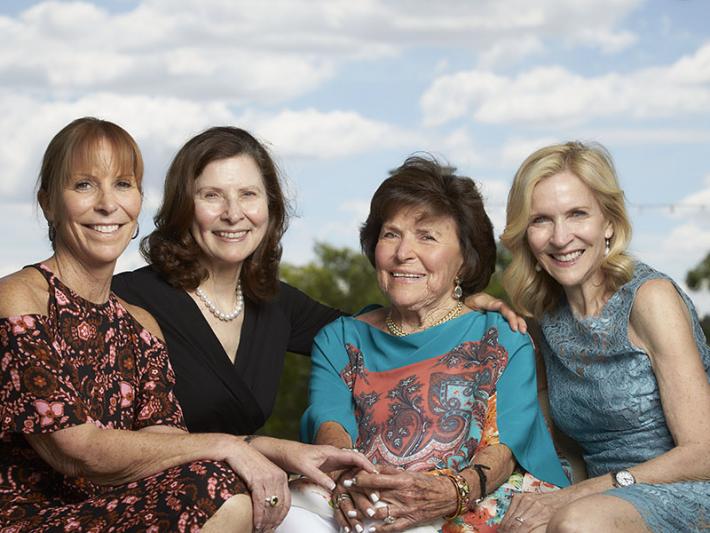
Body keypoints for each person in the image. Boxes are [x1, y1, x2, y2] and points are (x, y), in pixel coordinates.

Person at [0, 117, 374, 532]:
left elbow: (170, 441)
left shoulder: (139, 324)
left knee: (228, 484)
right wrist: (234, 450)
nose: (108, 204)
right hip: (30, 515)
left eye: (123, 185)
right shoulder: (21, 299)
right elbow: (77, 451)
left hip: (117, 507)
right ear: (48, 201)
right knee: (224, 492)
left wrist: (283, 451)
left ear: (140, 199)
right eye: (84, 185)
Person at [112, 126, 525, 436]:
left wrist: (455, 307)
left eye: (249, 195)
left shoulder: (274, 303)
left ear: (270, 208)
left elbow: (370, 336)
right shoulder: (129, 298)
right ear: (185, 206)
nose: (233, 213)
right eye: (212, 195)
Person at [278, 156, 569, 533]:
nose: (403, 253)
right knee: (287, 516)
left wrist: (453, 491)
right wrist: (351, 478)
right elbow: (330, 422)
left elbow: (505, 446)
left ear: (465, 259)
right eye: (391, 234)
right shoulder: (341, 338)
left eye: (427, 236)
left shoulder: (500, 337)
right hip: (361, 492)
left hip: (468, 496)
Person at [498, 141, 710, 533]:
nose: (561, 238)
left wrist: (585, 495)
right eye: (541, 220)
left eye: (577, 214)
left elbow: (704, 453)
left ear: (608, 223)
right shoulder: (544, 318)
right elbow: (563, 448)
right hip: (601, 502)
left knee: (577, 522)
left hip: (687, 490)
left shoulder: (650, 299)